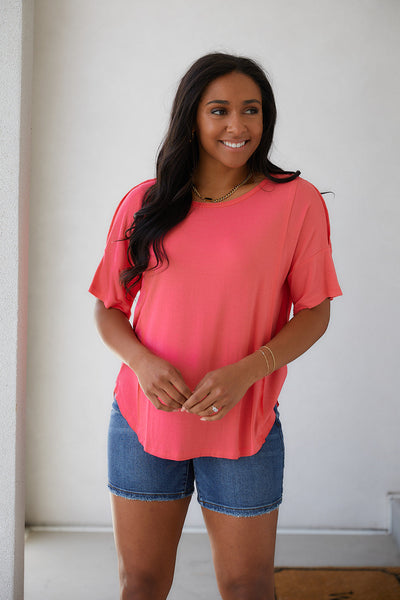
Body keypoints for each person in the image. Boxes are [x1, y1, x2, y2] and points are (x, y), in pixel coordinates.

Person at [89, 52, 342, 600]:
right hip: (143, 421)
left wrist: (247, 372)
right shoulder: (146, 202)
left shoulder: (295, 202)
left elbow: (315, 311)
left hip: (244, 422)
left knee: (248, 586)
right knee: (141, 584)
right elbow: (108, 308)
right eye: (219, 110)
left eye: (251, 109)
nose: (237, 125)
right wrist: (141, 361)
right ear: (192, 117)